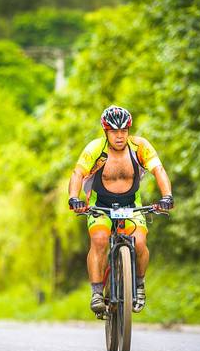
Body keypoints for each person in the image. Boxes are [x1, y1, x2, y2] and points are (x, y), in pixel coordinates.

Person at [67, 106, 174, 316]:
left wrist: (167, 196)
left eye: (123, 131)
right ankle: (97, 293)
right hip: (101, 205)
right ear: (105, 132)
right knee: (99, 240)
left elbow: (158, 170)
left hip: (131, 205)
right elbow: (77, 173)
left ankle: (139, 285)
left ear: (128, 130)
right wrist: (74, 197)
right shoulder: (95, 149)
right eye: (114, 131)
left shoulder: (139, 147)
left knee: (140, 242)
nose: (119, 136)